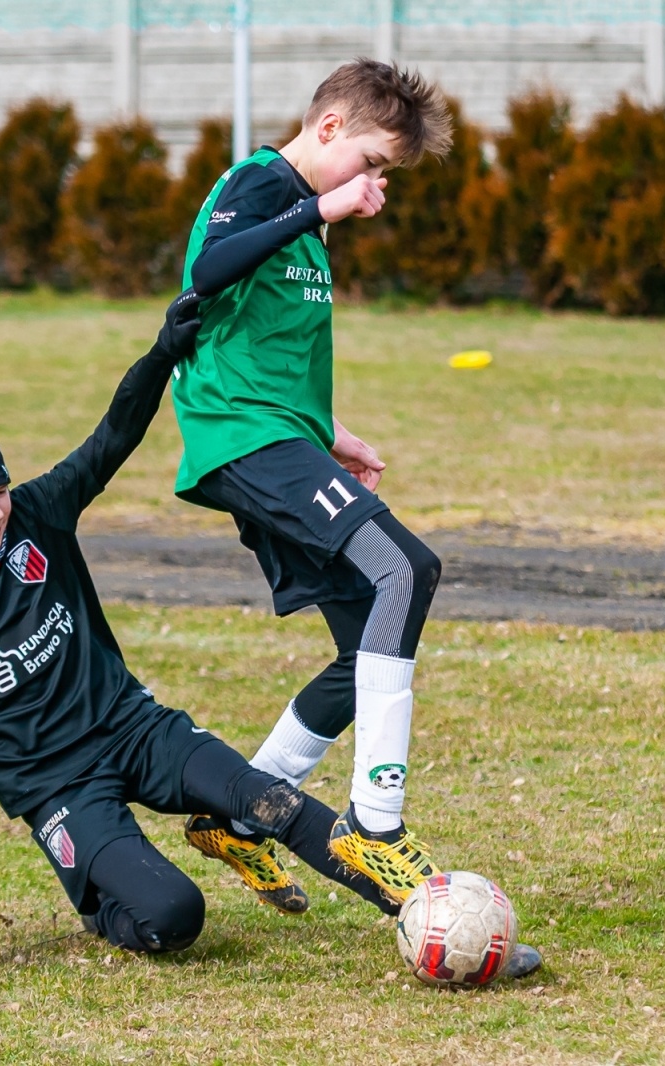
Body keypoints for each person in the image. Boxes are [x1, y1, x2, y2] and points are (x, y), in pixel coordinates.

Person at [0, 292, 399, 957]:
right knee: (172, 914)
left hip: (135, 728)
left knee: (269, 800)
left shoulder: (34, 516)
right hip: (58, 787)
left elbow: (112, 438)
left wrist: (162, 354)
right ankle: (103, 900)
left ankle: (413, 903)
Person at [168, 58, 455, 908]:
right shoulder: (260, 183)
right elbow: (208, 272)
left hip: (282, 438)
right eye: (370, 162)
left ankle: (237, 815)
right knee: (408, 570)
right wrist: (319, 206)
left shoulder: (305, 223)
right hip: (242, 439)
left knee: (367, 632)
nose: (374, 185)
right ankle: (377, 826)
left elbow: (267, 346)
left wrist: (330, 433)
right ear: (329, 128)